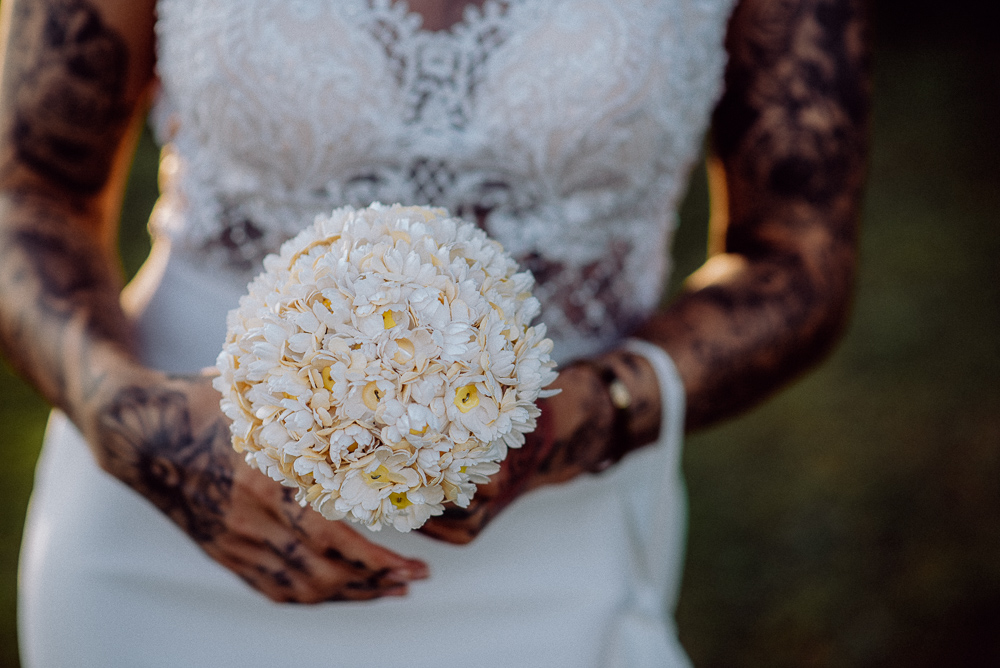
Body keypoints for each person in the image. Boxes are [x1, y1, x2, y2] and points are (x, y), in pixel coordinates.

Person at [0, 0, 869, 665]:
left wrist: (596, 412)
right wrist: (125, 416)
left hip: (553, 534)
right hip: (169, 519)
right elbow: (25, 192)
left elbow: (801, 259)